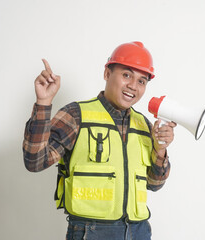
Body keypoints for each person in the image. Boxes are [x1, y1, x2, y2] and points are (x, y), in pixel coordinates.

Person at [23, 41, 176, 240]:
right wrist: (43, 102)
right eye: (126, 74)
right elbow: (34, 161)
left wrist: (160, 149)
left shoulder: (144, 125)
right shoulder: (76, 115)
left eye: (142, 81)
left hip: (139, 231)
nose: (133, 86)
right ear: (107, 74)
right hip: (92, 231)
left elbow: (155, 184)